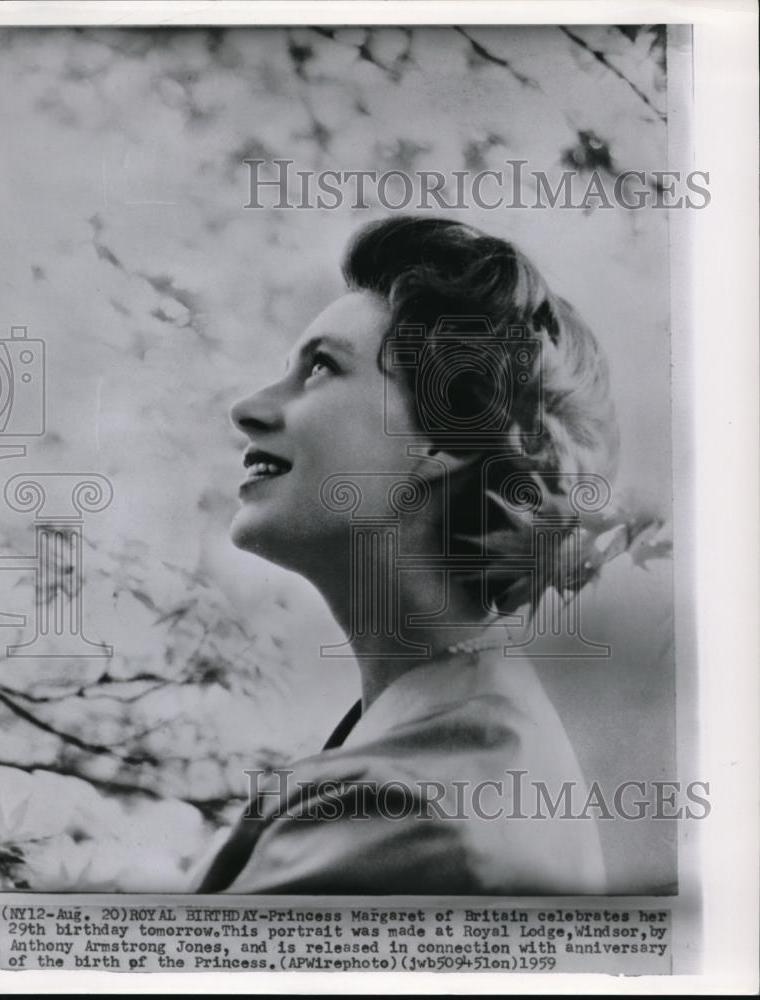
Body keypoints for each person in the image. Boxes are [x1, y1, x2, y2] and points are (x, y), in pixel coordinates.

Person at [193, 216, 621, 894]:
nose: (248, 408)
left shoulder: (409, 808)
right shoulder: (434, 734)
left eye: (321, 367)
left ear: (443, 440)